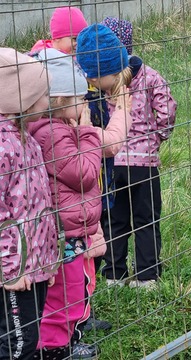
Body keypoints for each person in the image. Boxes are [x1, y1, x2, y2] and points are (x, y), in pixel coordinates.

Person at [77, 23, 177, 289]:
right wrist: (157, 138)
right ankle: (147, 275)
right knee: (146, 219)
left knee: (114, 219)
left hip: (111, 163)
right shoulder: (150, 76)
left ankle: (114, 274)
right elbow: (167, 110)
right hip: (144, 164)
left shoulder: (95, 83)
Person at [28, 48, 103, 360]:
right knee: (63, 293)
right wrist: (87, 131)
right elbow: (84, 173)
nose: (84, 103)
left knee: (75, 287)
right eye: (78, 97)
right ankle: (56, 348)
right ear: (59, 100)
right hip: (64, 232)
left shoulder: (57, 129)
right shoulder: (53, 134)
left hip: (70, 227)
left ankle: (67, 340)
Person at [73, 23, 134, 332]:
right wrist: (123, 107)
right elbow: (109, 144)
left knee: (92, 253)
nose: (121, 78)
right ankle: (74, 322)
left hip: (95, 188)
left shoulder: (92, 93)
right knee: (82, 257)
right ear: (97, 75)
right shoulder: (78, 104)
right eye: (117, 72)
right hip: (80, 193)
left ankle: (82, 314)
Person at [0, 47, 60, 360]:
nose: (49, 101)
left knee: (29, 333)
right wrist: (10, 268)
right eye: (43, 95)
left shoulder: (26, 139)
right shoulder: (4, 146)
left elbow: (38, 202)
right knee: (19, 344)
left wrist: (46, 259)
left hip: (33, 261)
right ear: (20, 100)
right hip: (13, 269)